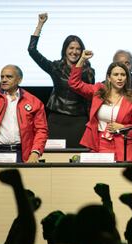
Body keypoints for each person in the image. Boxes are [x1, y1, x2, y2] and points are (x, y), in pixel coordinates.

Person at [28, 13, 95, 148]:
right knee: (55, 160)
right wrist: (40, 25)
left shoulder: (88, 71)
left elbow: (90, 97)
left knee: (77, 160)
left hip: (79, 121)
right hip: (56, 120)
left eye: (78, 49)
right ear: (65, 50)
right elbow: (32, 50)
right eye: (71, 48)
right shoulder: (56, 67)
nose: (74, 52)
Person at [68, 50, 132, 162]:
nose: (119, 78)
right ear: (109, 77)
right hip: (99, 143)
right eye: (116, 74)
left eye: (123, 75)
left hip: (122, 146)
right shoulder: (98, 91)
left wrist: (122, 128)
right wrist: (82, 59)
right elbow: (74, 83)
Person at [0, 65, 48, 163]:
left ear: (19, 80)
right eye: (2, 77)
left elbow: (41, 130)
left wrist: (35, 153)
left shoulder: (34, 102)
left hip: (21, 153)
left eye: (9, 76)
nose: (4, 80)